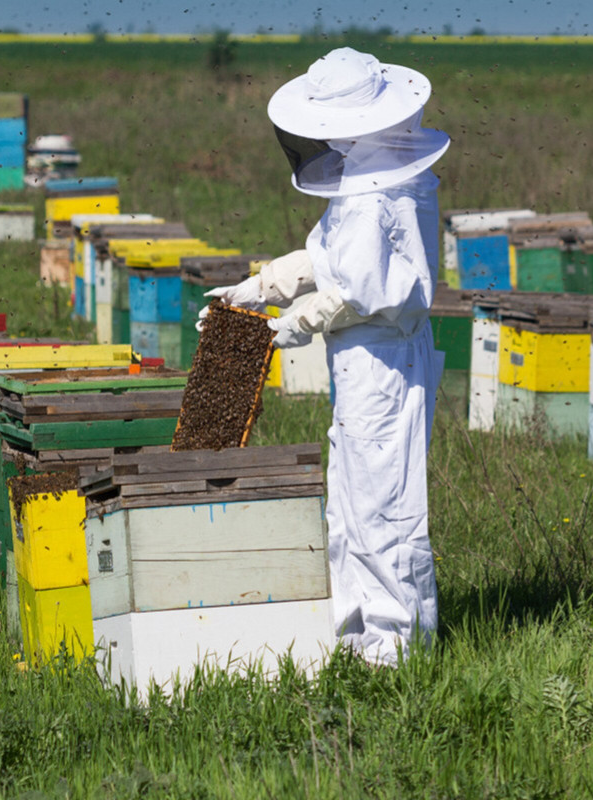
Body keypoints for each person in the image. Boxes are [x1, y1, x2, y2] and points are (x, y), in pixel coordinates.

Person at [199, 47, 450, 666]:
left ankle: (396, 652)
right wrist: (257, 289)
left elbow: (357, 293)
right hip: (364, 359)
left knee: (383, 509)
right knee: (350, 501)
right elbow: (328, 259)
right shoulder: (371, 176)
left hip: (383, 361)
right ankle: (360, 635)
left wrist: (291, 325)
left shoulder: (381, 192)